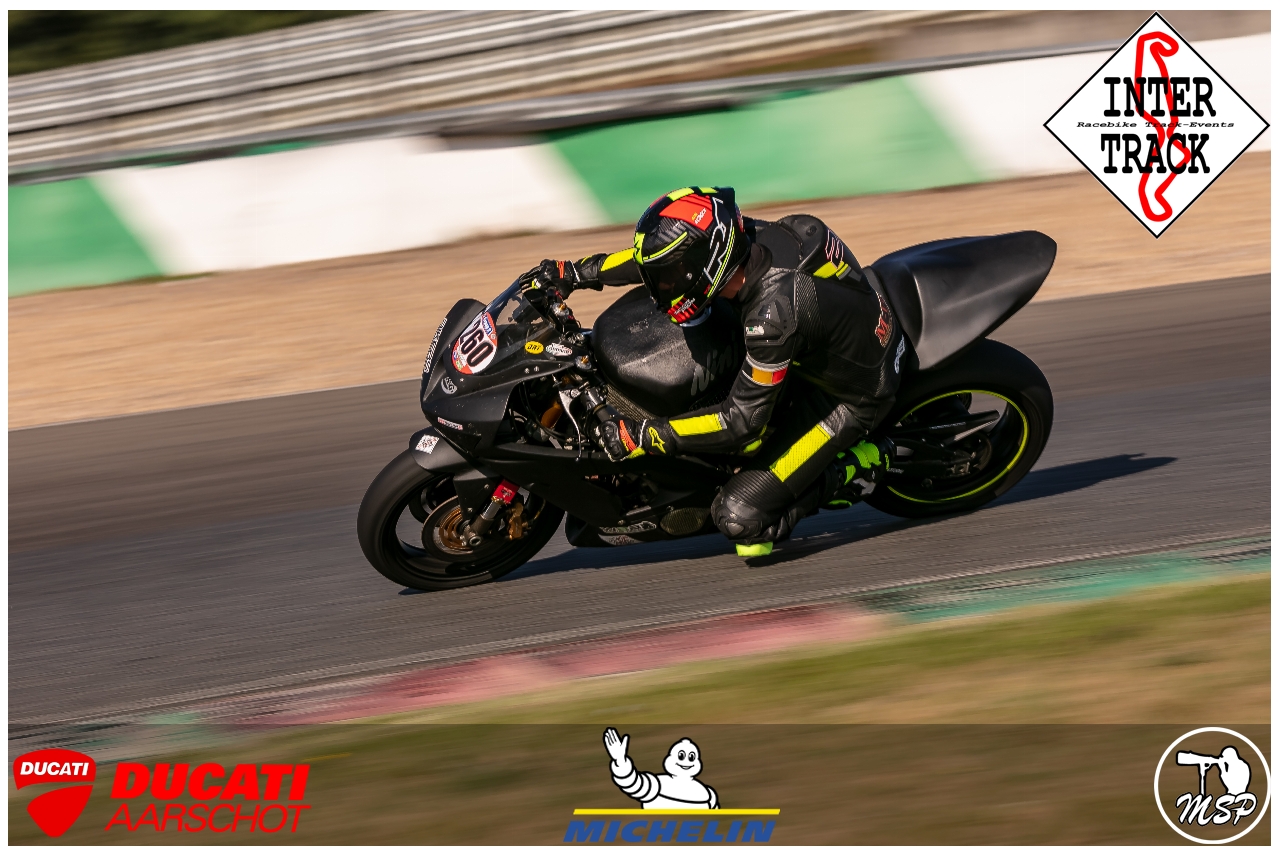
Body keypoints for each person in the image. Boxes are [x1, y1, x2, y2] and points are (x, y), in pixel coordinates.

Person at [520, 186, 903, 558]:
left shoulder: (771, 319)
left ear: (710, 263)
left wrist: (643, 436)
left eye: (672, 275)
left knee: (740, 519)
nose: (662, 286)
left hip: (849, 398)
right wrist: (576, 273)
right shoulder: (746, 236)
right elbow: (651, 260)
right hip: (822, 343)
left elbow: (741, 421)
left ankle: (859, 464)